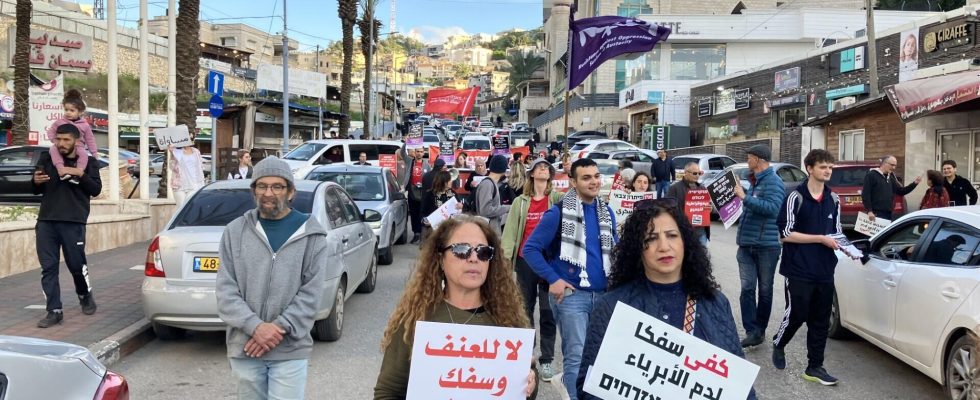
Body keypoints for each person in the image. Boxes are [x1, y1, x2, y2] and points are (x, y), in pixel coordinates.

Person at [576, 199, 757, 400]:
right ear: (638, 249)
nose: (664, 246)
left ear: (685, 242)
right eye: (651, 238)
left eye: (672, 235)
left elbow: (740, 386)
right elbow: (588, 387)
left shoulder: (715, 302)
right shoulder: (611, 306)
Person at [374, 215, 538, 399]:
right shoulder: (415, 319)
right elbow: (387, 392)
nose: (474, 258)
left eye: (483, 252)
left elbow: (523, 392)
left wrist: (530, 381)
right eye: (462, 250)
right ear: (440, 259)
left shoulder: (507, 320)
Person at [216, 156, 327, 399]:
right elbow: (226, 292)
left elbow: (311, 294)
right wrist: (255, 327)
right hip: (246, 347)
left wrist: (276, 329)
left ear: (290, 192)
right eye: (262, 186)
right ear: (253, 190)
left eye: (277, 186)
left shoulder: (312, 234)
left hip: (290, 348)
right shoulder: (235, 231)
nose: (269, 193)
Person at [523, 158, 618, 400]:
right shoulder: (558, 213)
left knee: (601, 356)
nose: (594, 181)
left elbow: (614, 251)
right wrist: (553, 279)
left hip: (605, 296)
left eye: (596, 176)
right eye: (586, 178)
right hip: (573, 297)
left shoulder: (606, 213)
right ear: (573, 182)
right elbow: (530, 249)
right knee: (576, 355)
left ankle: (572, 384)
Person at [772, 149, 845, 386]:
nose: (828, 171)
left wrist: (848, 248)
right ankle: (779, 343)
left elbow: (837, 231)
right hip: (798, 268)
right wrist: (820, 238)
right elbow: (785, 234)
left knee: (821, 320)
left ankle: (815, 366)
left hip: (824, 269)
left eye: (830, 167)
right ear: (809, 168)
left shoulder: (834, 199)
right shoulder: (795, 197)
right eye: (823, 166)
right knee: (797, 313)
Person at [32, 123, 102, 328]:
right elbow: (36, 190)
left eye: (66, 140)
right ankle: (54, 311)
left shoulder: (88, 162)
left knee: (76, 266)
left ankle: (85, 295)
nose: (61, 144)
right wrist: (35, 181)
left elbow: (96, 190)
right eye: (58, 139)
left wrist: (81, 175)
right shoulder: (47, 159)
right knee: (49, 268)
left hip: (73, 221)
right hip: (46, 221)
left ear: (76, 141)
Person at [501, 158, 563, 383]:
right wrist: (504, 263)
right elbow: (509, 233)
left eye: (547, 167)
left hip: (548, 263)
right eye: (539, 167)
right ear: (532, 174)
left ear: (551, 175)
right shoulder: (520, 202)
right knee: (525, 309)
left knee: (548, 311)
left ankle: (547, 359)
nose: (543, 169)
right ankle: (526, 355)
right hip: (525, 261)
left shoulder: (557, 200)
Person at [733, 144, 785, 348]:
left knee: (764, 290)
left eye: (750, 157)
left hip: (766, 246)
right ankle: (751, 330)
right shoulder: (755, 181)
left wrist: (744, 197)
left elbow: (772, 209)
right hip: (746, 245)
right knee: (747, 288)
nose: (748, 161)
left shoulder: (774, 182)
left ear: (759, 159)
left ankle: (760, 330)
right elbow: (753, 204)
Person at [46, 89, 97, 184]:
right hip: (61, 146)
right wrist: (55, 141)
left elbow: (90, 140)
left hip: (78, 147)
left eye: (72, 110)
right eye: (66, 110)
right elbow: (51, 132)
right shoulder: (59, 122)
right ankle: (61, 171)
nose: (68, 112)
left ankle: (77, 175)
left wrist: (94, 154)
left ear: (80, 112)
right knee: (53, 150)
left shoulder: (85, 125)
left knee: (83, 155)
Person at [862, 155, 921, 221]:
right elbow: (866, 194)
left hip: (888, 213)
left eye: (895, 165)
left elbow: (901, 191)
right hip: (875, 214)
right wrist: (869, 211)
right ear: (884, 163)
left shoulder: (891, 177)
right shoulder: (871, 175)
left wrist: (914, 184)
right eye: (892, 165)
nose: (894, 167)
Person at [666, 161, 710, 246]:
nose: (697, 175)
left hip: (700, 232)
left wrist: (709, 209)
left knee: (701, 258)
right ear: (685, 173)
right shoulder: (674, 188)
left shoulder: (702, 189)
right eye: (694, 173)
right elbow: (666, 208)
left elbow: (706, 210)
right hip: (683, 232)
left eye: (699, 173)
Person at [421, 170, 460, 244]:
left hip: (449, 230)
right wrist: (425, 221)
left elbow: (459, 211)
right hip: (433, 231)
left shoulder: (453, 194)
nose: (451, 182)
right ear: (444, 182)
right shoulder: (430, 194)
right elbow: (423, 212)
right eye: (449, 180)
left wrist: (460, 206)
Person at [476, 155, 512, 234]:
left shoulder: (490, 183)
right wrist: (508, 208)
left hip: (490, 231)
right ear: (503, 169)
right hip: (488, 232)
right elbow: (485, 210)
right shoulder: (488, 184)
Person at [169, 137, 206, 206]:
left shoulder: (196, 152)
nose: (188, 141)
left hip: (194, 184)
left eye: (190, 139)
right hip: (179, 185)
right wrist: (172, 154)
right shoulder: (177, 151)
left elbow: (200, 167)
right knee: (180, 208)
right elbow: (172, 167)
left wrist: (202, 183)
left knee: (190, 207)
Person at [406, 148, 431, 244]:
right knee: (413, 213)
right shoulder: (410, 162)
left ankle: (422, 234)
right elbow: (402, 152)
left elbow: (429, 178)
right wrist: (407, 142)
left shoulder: (427, 165)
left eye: (421, 152)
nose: (419, 153)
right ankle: (416, 233)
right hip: (412, 191)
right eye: (417, 151)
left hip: (423, 192)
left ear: (423, 153)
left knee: (422, 213)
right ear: (414, 152)